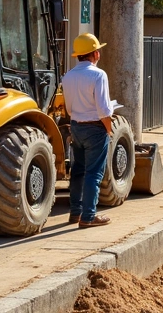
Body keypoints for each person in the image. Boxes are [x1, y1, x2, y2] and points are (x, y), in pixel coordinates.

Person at [63, 33, 114, 228]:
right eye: (98, 50)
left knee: (78, 171)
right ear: (95, 54)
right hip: (95, 128)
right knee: (94, 173)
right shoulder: (98, 75)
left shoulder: (68, 76)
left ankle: (75, 212)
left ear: (78, 55)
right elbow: (103, 109)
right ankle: (89, 216)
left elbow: (68, 108)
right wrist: (109, 129)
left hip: (76, 126)